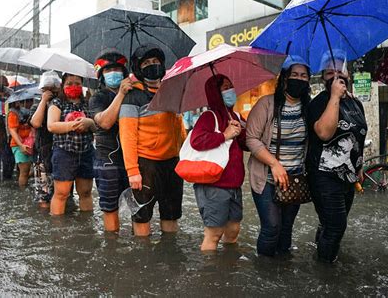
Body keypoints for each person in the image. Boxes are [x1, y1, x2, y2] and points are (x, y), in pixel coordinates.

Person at [246, 55, 311, 257]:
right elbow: (251, 138)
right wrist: (274, 164)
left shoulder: (311, 108)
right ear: (284, 78)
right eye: (294, 75)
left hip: (295, 178)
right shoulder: (266, 104)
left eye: (303, 76)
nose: (298, 79)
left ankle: (283, 269)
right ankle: (264, 271)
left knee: (286, 228)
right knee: (272, 227)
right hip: (265, 177)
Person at [119, 44, 186, 237]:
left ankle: (169, 254)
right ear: (139, 69)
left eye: (155, 62)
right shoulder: (133, 97)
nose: (152, 65)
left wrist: (187, 155)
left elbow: (178, 129)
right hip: (145, 166)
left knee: (171, 214)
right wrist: (133, 171)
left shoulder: (171, 92)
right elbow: (127, 136)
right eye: (146, 63)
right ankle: (143, 258)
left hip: (173, 163)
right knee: (142, 215)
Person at [307, 50, 367, 263]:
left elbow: (358, 136)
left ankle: (322, 250)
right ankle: (324, 270)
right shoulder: (319, 103)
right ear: (324, 77)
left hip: (349, 176)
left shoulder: (355, 103)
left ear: (347, 73)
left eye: (339, 69)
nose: (335, 75)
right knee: (336, 226)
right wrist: (334, 97)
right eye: (329, 71)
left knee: (329, 224)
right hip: (324, 176)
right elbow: (324, 133)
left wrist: (359, 167)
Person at [190, 74, 248, 251]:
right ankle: (210, 273)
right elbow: (197, 141)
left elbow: (245, 144)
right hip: (214, 185)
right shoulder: (209, 116)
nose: (230, 90)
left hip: (234, 184)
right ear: (215, 93)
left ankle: (228, 267)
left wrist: (240, 132)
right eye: (225, 88)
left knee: (233, 230)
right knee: (214, 233)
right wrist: (224, 135)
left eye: (231, 86)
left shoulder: (235, 116)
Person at [89, 49, 132, 232]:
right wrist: (121, 94)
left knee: (139, 209)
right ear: (101, 76)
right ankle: (112, 247)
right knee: (110, 208)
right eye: (107, 70)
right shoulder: (98, 98)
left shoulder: (134, 94)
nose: (113, 73)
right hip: (107, 161)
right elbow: (105, 122)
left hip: (133, 159)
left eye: (116, 69)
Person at [47, 72, 97, 215]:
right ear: (63, 85)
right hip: (64, 153)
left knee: (86, 193)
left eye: (77, 83)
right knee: (61, 194)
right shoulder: (57, 103)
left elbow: (97, 128)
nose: (73, 86)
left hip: (86, 152)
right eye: (69, 83)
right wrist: (74, 125)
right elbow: (52, 126)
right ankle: (58, 229)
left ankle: (87, 227)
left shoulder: (87, 103)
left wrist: (89, 122)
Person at [30, 71, 61, 207]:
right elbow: (35, 123)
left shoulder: (61, 104)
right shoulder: (37, 105)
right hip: (41, 155)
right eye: (46, 89)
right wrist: (43, 101)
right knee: (43, 194)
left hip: (61, 152)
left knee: (62, 192)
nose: (49, 92)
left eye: (52, 89)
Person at [7, 100, 33, 188]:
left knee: (31, 170)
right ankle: (23, 192)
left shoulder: (31, 111)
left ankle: (26, 186)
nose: (30, 103)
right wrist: (21, 145)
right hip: (18, 144)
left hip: (31, 143)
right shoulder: (13, 113)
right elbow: (12, 131)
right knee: (24, 171)